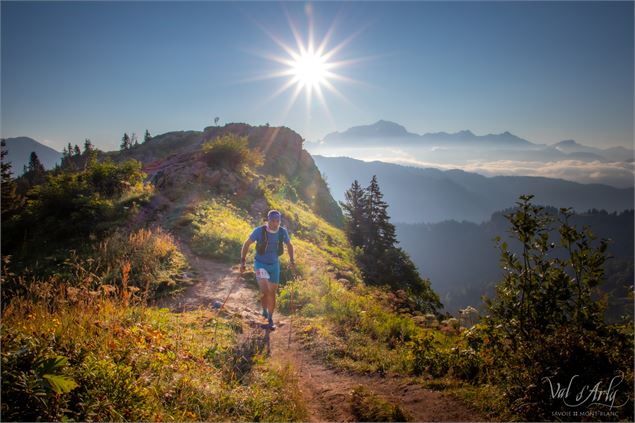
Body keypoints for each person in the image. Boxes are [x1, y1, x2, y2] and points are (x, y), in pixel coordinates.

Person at [240, 210, 295, 330]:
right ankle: (264, 310)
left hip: (274, 265)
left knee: (272, 292)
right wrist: (242, 261)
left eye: (277, 221)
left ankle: (270, 318)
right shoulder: (259, 231)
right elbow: (247, 243)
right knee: (265, 290)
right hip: (260, 264)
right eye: (272, 220)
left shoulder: (282, 232)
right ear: (268, 220)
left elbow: (289, 245)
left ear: (279, 221)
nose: (275, 223)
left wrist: (292, 261)